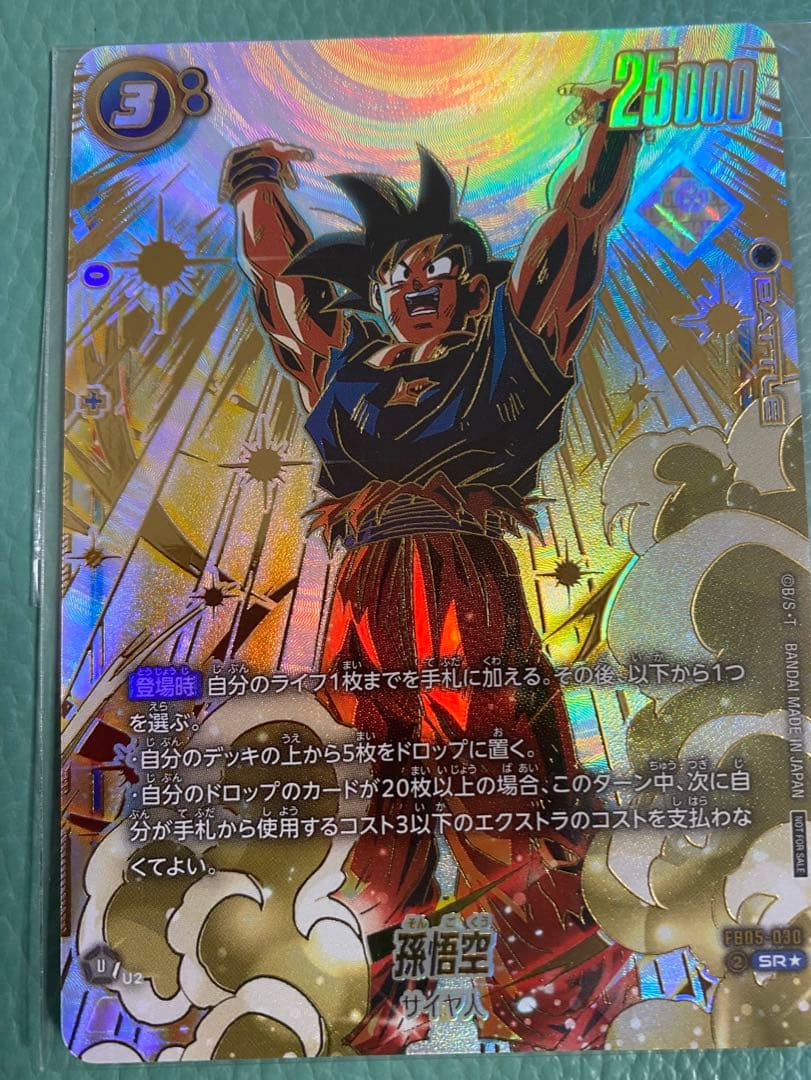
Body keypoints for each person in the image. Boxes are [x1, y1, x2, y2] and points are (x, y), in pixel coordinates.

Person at [221, 81, 642, 1053]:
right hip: (366, 594)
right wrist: (256, 187)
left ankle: (557, 1018)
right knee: (371, 809)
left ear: (472, 287)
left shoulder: (508, 355)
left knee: (502, 794)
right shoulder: (348, 377)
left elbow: (571, 240)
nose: (416, 280)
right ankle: (370, 1018)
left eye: (440, 266)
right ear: (379, 296)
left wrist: (615, 130)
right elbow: (287, 298)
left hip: (462, 579)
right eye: (398, 271)